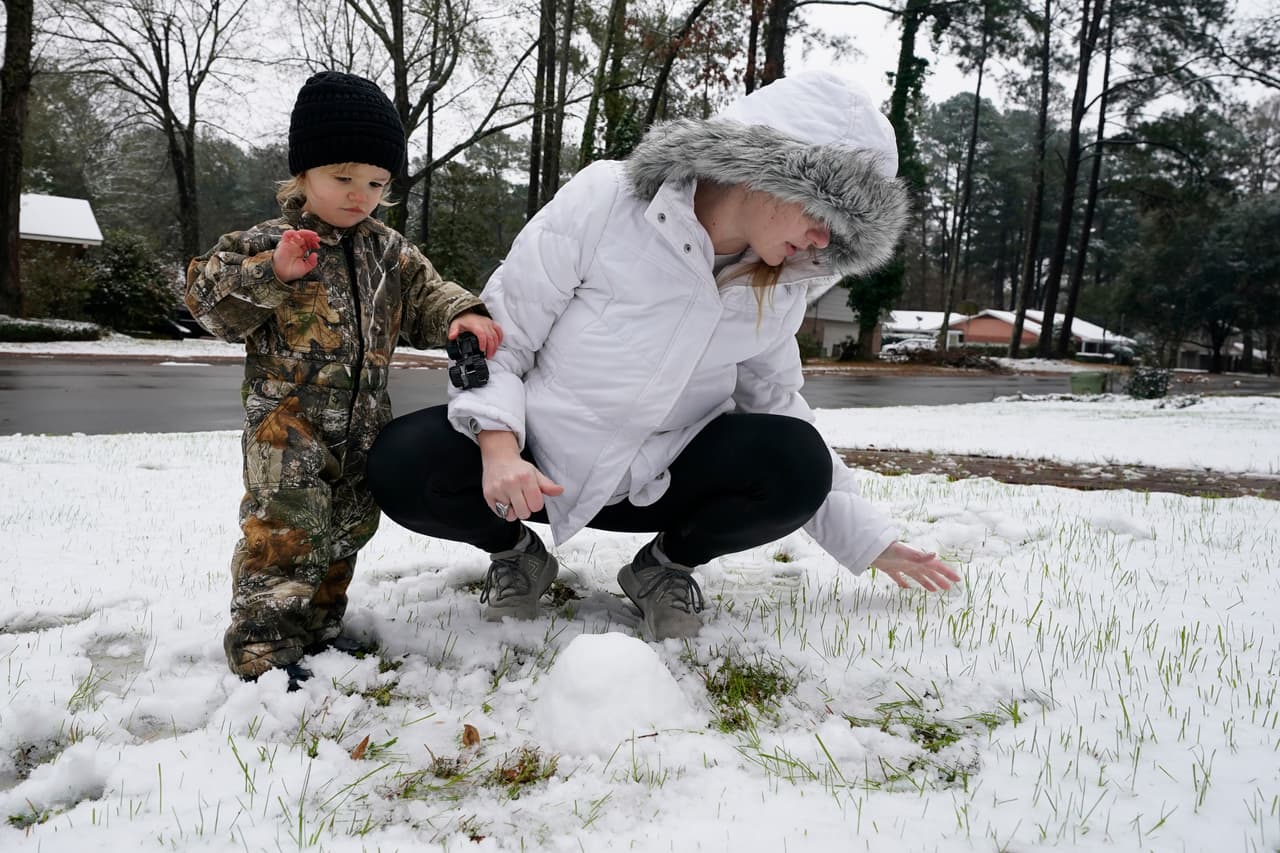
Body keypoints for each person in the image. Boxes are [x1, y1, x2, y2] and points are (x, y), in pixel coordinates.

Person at [367, 71, 960, 642]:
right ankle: (517, 556)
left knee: (798, 460)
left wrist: (866, 538)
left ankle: (663, 568)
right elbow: (503, 337)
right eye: (825, 215)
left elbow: (779, 405)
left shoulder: (781, 283)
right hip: (540, 472)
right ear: (770, 173)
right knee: (402, 461)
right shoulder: (607, 200)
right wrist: (498, 451)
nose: (825, 242)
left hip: (662, 481)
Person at [184, 71, 502, 686]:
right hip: (288, 424)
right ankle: (264, 650)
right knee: (287, 528)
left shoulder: (390, 251)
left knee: (348, 525)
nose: (361, 195)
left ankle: (321, 628)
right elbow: (209, 306)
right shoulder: (266, 243)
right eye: (344, 178)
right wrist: (272, 274)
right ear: (303, 175)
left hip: (363, 424)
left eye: (377, 183)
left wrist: (462, 312)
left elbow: (427, 294)